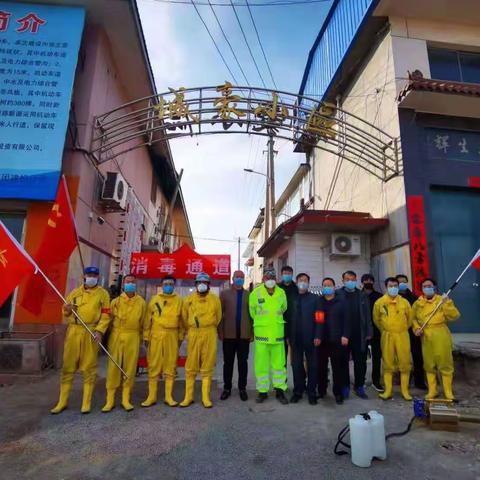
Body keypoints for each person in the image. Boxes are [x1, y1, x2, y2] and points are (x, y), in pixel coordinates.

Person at [50, 266, 110, 414]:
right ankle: (62, 402)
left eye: (94, 275)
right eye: (89, 275)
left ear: (98, 277)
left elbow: (106, 314)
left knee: (89, 368)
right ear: (84, 276)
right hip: (73, 332)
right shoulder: (75, 292)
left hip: (91, 332)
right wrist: (67, 310)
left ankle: (86, 403)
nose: (92, 277)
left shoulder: (103, 294)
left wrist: (100, 331)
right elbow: (66, 311)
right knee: (68, 366)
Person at [100, 274, 146, 412]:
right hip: (116, 335)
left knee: (130, 368)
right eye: (128, 282)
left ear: (135, 285)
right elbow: (106, 318)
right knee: (113, 367)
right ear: (123, 284)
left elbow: (143, 323)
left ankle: (126, 399)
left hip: (133, 336)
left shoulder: (141, 302)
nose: (130, 284)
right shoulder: (115, 302)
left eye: (132, 282)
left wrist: (144, 339)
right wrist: (99, 331)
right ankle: (110, 400)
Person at [411, 278, 460, 401]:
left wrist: (447, 303)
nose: (427, 288)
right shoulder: (418, 303)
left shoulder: (442, 300)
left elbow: (455, 316)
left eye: (429, 286)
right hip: (426, 336)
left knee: (445, 362)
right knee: (429, 364)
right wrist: (417, 328)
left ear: (434, 287)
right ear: (421, 289)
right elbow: (413, 319)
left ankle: (448, 391)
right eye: (424, 286)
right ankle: (432, 391)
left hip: (441, 334)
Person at [180, 272, 222, 408]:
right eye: (199, 283)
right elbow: (184, 318)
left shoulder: (215, 299)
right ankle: (188, 397)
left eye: (204, 283)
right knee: (191, 365)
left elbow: (219, 316)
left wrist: (208, 325)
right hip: (194, 333)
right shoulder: (189, 300)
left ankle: (205, 397)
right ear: (196, 284)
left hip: (209, 332)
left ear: (209, 285)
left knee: (207, 365)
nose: (202, 285)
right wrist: (192, 328)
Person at [141, 275, 183, 408]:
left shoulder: (179, 301)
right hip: (156, 335)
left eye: (171, 284)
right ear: (161, 285)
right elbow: (148, 320)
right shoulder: (155, 299)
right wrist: (146, 337)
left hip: (172, 335)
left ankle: (168, 396)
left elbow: (182, 321)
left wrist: (180, 337)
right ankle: (151, 396)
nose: (168, 286)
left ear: (174, 286)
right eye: (166, 283)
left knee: (170, 366)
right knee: (154, 365)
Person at [249, 268, 288, 404]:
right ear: (263, 279)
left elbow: (284, 308)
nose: (270, 280)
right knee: (261, 365)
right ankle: (262, 391)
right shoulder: (256, 293)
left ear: (275, 279)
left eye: (272, 277)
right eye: (267, 277)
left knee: (279, 365)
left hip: (277, 334)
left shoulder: (281, 293)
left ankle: (280, 391)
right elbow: (252, 312)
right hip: (262, 335)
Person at [373, 277, 413, 401]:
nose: (393, 288)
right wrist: (386, 329)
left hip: (402, 335)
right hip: (387, 336)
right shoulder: (379, 302)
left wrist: (402, 328)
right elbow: (376, 319)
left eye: (395, 286)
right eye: (391, 286)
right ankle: (388, 391)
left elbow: (410, 318)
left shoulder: (404, 302)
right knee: (388, 363)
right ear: (386, 287)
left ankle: (405, 391)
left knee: (405, 363)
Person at [336, 270, 372, 399]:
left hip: (359, 333)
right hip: (343, 334)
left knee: (360, 361)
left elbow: (367, 314)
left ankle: (359, 386)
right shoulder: (337, 294)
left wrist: (369, 331)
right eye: (347, 279)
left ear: (356, 280)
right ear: (343, 280)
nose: (350, 281)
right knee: (343, 361)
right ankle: (344, 386)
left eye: (352, 279)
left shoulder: (362, 295)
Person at [218, 270, 253, 402]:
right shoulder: (224, 294)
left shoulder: (249, 295)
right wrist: (220, 331)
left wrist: (251, 333)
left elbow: (252, 316)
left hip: (244, 334)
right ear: (233, 278)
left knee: (243, 363)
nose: (239, 279)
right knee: (228, 363)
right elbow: (219, 315)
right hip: (229, 335)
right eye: (237, 277)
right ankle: (227, 388)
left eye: (242, 277)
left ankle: (242, 388)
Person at [289, 273, 322, 405]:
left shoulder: (315, 299)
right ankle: (298, 391)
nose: (302, 282)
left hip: (311, 338)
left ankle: (311, 392)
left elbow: (320, 319)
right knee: (296, 365)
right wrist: (287, 336)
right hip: (295, 339)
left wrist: (318, 335)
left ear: (308, 283)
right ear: (296, 282)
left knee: (313, 366)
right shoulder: (291, 298)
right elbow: (287, 319)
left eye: (305, 280)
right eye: (300, 280)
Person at [315, 277, 349, 405]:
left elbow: (347, 320)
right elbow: (318, 321)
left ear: (334, 287)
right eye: (324, 285)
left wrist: (345, 335)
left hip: (337, 340)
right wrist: (317, 336)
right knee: (321, 368)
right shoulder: (319, 302)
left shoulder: (341, 302)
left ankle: (338, 393)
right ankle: (322, 390)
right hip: (322, 341)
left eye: (329, 285)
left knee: (337, 368)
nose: (327, 287)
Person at [396, 274, 427, 390]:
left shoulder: (414, 297)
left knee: (418, 356)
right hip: (400, 331)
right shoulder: (394, 298)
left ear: (407, 282)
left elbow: (418, 315)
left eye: (404, 281)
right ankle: (405, 382)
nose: (402, 284)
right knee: (403, 358)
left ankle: (419, 381)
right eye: (399, 282)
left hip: (413, 331)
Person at [361, 274, 384, 393]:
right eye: (365, 280)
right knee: (361, 357)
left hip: (377, 331)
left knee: (376, 357)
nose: (368, 282)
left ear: (373, 282)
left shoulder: (380, 297)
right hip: (362, 332)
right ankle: (361, 380)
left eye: (370, 280)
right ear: (362, 282)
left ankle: (376, 381)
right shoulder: (358, 296)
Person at [278, 265, 298, 368]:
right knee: (281, 357)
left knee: (295, 357)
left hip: (294, 325)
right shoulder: (277, 288)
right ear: (281, 275)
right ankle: (282, 382)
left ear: (292, 274)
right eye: (285, 274)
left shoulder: (297, 288)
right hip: (280, 325)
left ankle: (298, 382)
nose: (287, 275)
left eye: (289, 274)